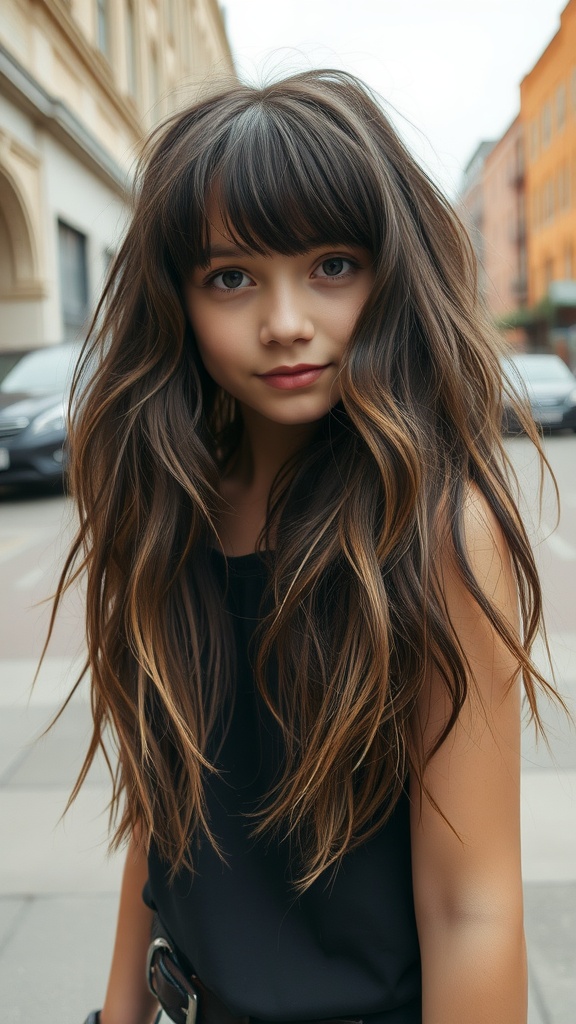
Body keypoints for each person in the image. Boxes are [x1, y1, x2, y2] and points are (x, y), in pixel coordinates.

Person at [53, 70, 557, 1024]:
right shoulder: (170, 504)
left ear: (391, 270)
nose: (286, 321)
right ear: (181, 298)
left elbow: (473, 908)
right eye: (232, 277)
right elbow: (165, 815)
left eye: (332, 265)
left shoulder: (440, 533)